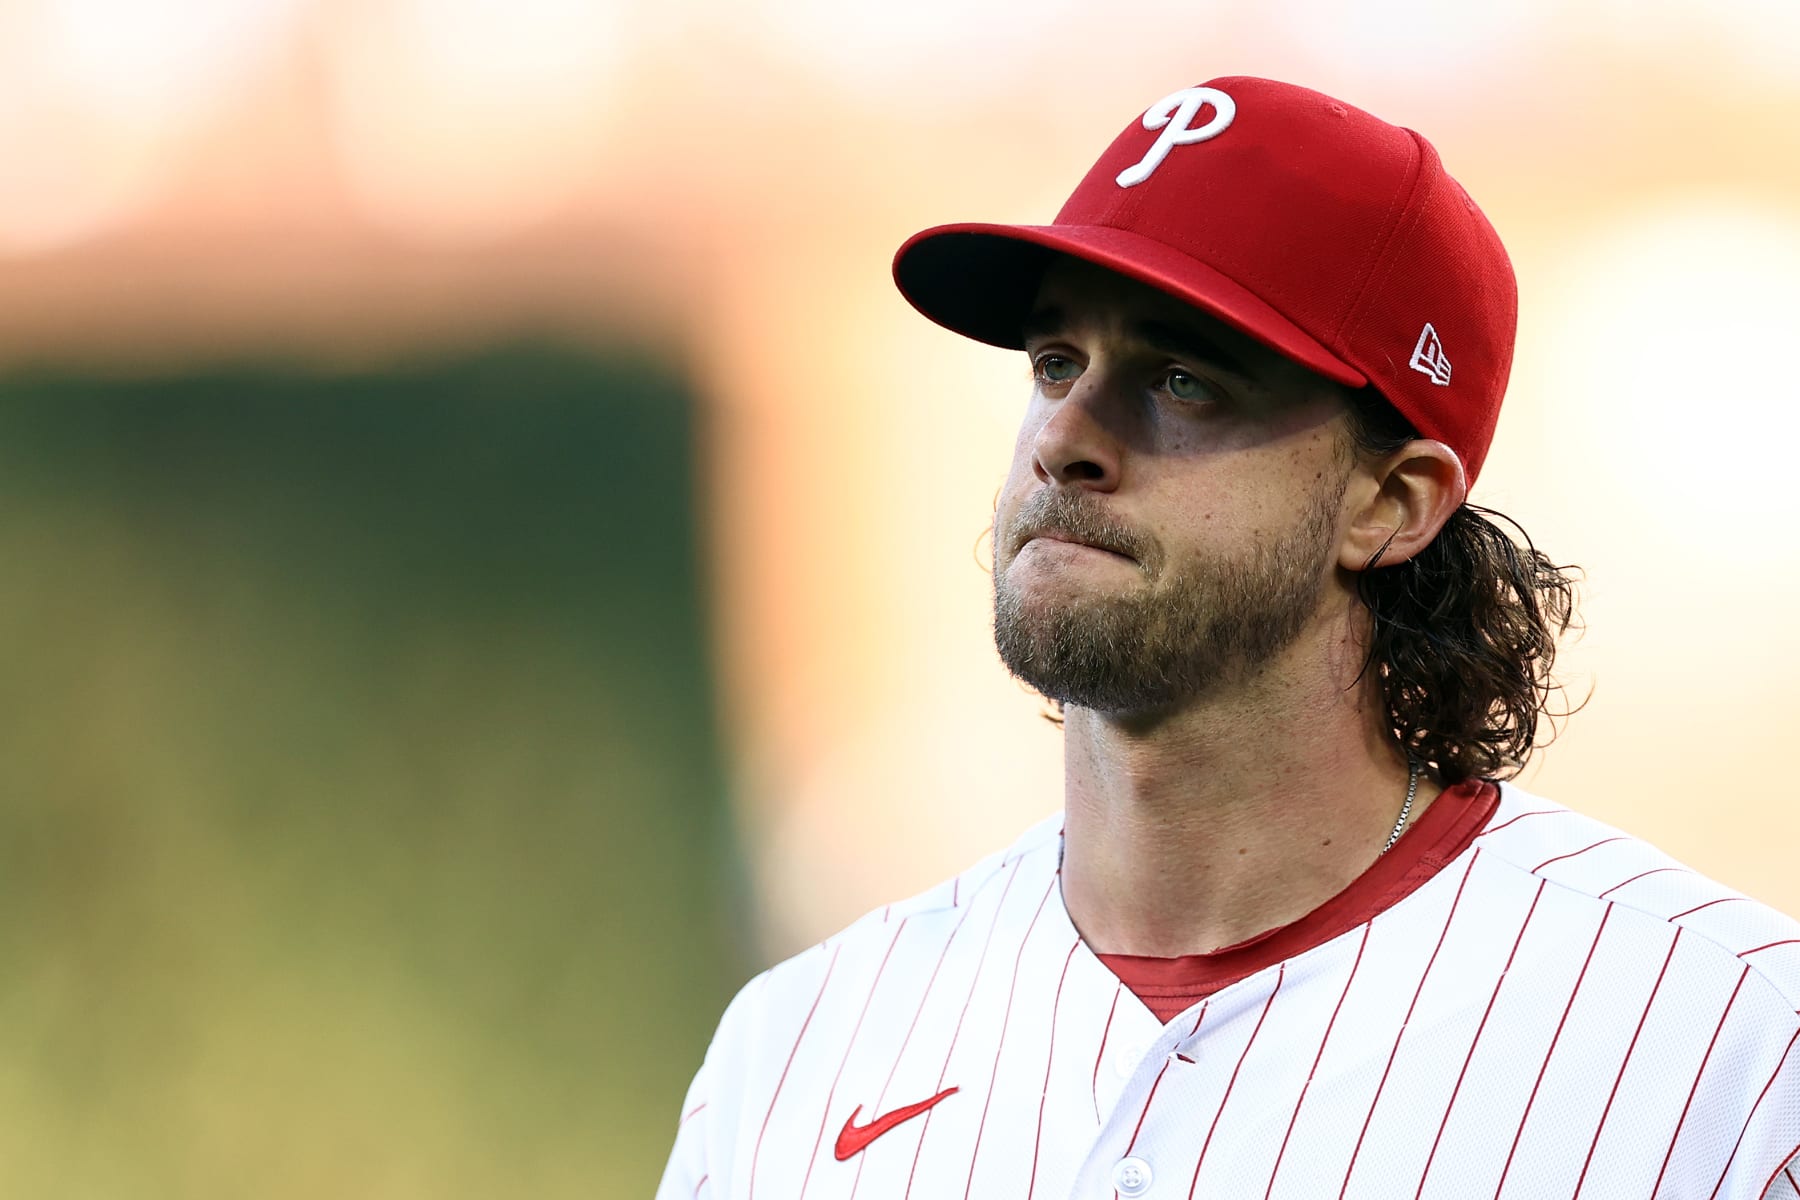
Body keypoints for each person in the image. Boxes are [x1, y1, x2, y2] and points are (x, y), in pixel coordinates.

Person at [657, 75, 1800, 1199]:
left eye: (1184, 378)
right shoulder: (798, 1049)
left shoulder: (1730, 1049)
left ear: (1389, 503)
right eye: (1055, 361)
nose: (1063, 436)